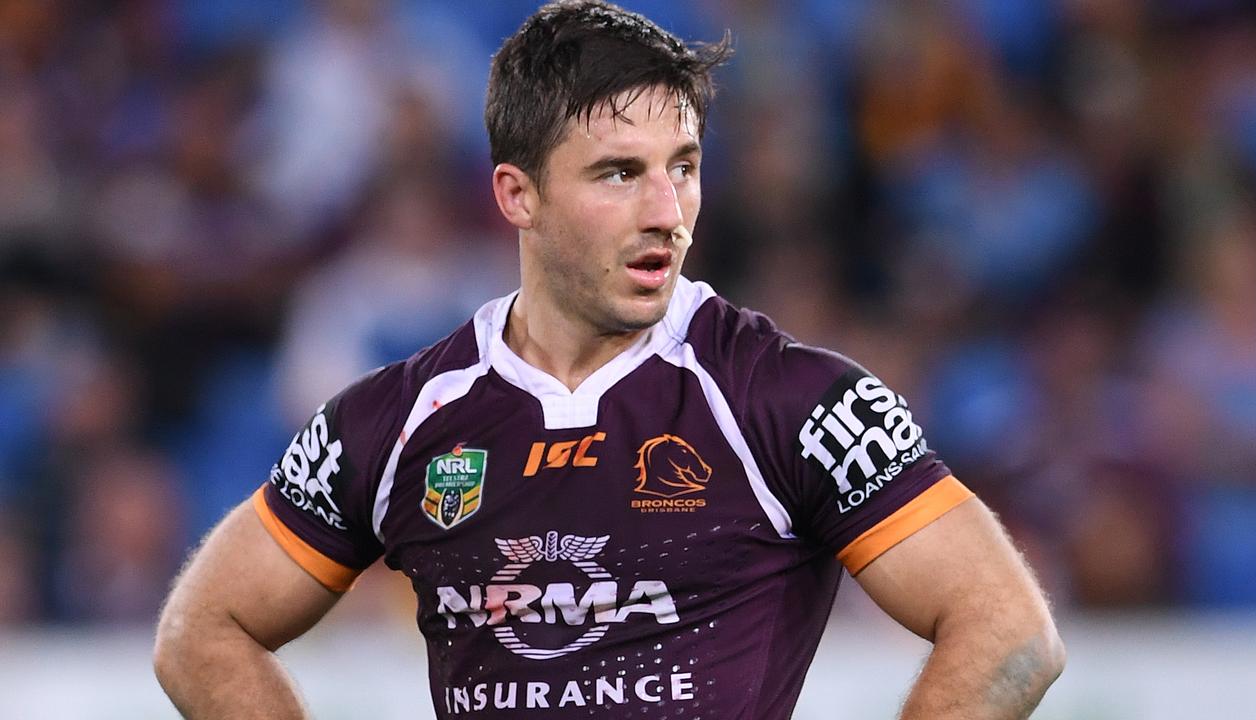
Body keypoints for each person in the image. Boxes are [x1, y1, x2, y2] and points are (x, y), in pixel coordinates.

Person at [153, 2, 1065, 718]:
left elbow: (1009, 636)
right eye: (620, 173)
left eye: (686, 165)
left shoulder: (789, 398)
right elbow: (204, 633)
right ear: (516, 194)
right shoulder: (397, 421)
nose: (668, 209)